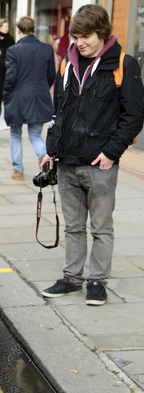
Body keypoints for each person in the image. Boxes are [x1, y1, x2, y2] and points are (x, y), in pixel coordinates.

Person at [40, 5, 144, 306]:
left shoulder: (124, 64)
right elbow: (59, 111)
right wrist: (51, 151)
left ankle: (97, 281)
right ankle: (72, 277)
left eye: (85, 37)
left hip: (100, 164)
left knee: (101, 227)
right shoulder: (67, 64)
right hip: (67, 161)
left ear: (102, 33)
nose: (79, 43)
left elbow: (134, 116)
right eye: (76, 37)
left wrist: (111, 153)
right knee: (73, 226)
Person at [3, 16, 55, 181]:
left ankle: (18, 171)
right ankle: (42, 156)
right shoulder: (47, 49)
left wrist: (5, 93)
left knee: (15, 134)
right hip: (39, 96)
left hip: (18, 97)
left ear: (18, 30)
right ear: (34, 30)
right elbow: (51, 75)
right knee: (35, 134)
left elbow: (11, 77)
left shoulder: (13, 50)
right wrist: (42, 89)